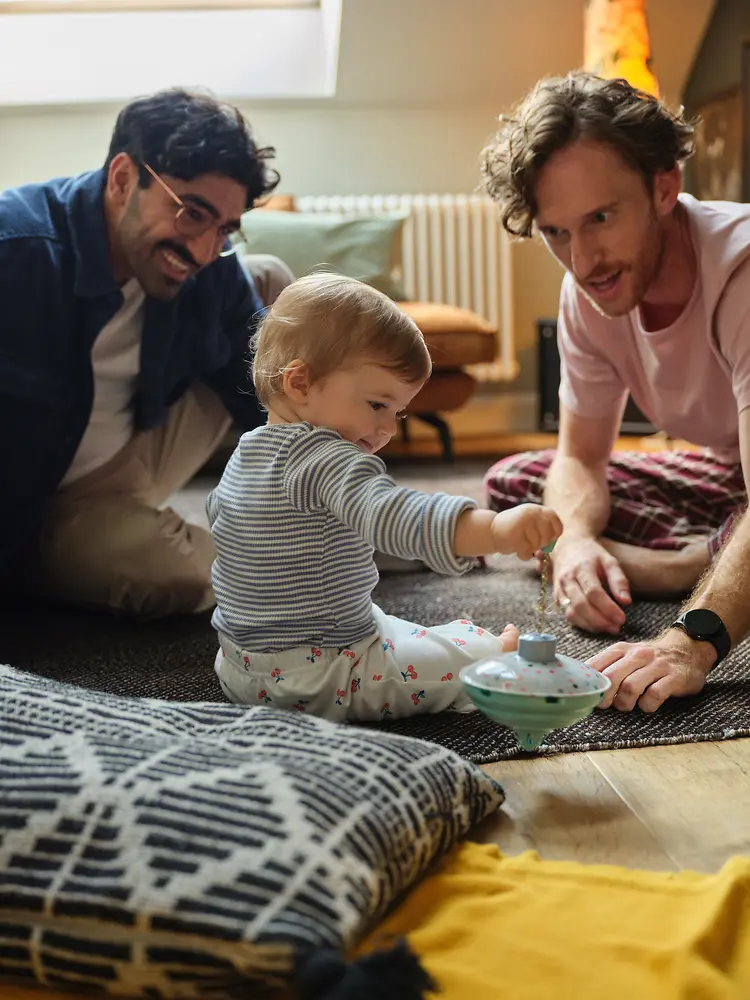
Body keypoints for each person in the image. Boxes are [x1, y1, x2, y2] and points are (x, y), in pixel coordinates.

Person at [480, 71, 750, 713]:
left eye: (601, 217)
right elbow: (577, 459)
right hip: (730, 472)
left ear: (665, 186)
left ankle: (692, 570)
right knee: (519, 489)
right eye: (557, 233)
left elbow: (691, 647)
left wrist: (695, 638)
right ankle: (715, 554)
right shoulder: (588, 292)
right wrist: (571, 540)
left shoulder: (741, 274)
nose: (583, 260)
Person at [207, 273, 562, 722]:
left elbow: (222, 523)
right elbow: (394, 515)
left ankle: (441, 642)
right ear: (299, 383)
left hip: (239, 666)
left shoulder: (246, 450)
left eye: (398, 412)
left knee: (384, 622)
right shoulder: (326, 458)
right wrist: (494, 529)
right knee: (465, 659)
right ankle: (488, 658)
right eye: (377, 405)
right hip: (322, 678)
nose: (388, 429)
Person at [0, 87, 293, 620]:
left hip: (133, 443)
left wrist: (340, 491)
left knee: (277, 294)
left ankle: (331, 531)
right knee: (174, 575)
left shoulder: (208, 264)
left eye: (224, 229)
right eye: (192, 213)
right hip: (41, 503)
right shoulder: (16, 255)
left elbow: (266, 397)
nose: (204, 250)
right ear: (120, 179)